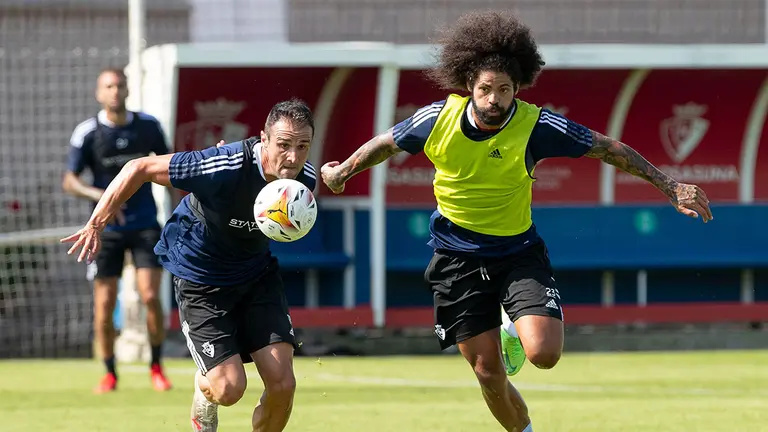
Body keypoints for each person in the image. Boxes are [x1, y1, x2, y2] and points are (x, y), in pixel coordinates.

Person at [320, 11, 713, 432]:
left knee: (544, 353)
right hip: (456, 260)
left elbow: (608, 148)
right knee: (488, 373)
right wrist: (342, 172)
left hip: (517, 253)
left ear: (517, 88)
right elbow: (386, 144)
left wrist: (670, 185)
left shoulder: (536, 125)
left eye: (504, 90)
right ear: (469, 86)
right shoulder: (436, 120)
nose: (494, 99)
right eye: (486, 89)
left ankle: (512, 321)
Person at [61, 98, 317, 432]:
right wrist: (96, 224)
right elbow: (137, 168)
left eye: (303, 146)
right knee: (229, 389)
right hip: (202, 279)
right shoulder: (221, 165)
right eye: (284, 145)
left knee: (283, 386)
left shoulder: (302, 182)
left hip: (256, 276)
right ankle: (203, 392)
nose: (293, 157)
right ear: (263, 139)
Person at [63, 67, 173, 393]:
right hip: (105, 230)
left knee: (151, 296)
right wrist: (103, 197)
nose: (115, 91)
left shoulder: (148, 127)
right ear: (99, 93)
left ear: (127, 91)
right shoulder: (87, 132)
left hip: (145, 225)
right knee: (104, 304)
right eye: (109, 86)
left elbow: (169, 167)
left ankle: (156, 365)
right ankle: (110, 372)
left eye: (120, 86)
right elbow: (69, 180)